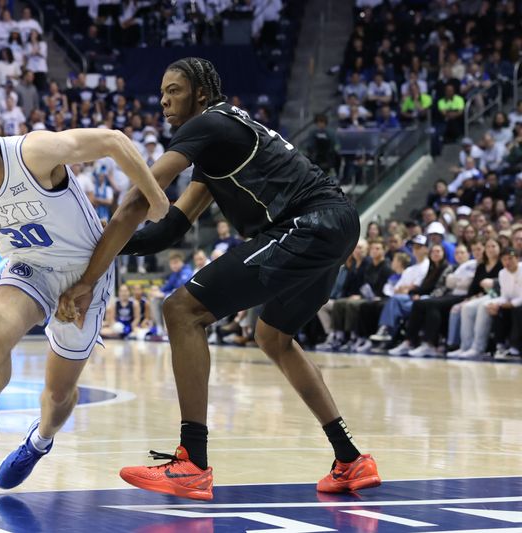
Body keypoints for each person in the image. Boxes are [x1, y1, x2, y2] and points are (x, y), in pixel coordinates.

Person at [57, 57, 379, 500]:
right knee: (273, 337)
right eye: (162, 92)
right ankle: (350, 459)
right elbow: (171, 226)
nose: (165, 100)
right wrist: (113, 247)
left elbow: (137, 201)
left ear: (201, 95)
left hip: (308, 224)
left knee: (181, 310)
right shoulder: (220, 141)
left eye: (175, 90)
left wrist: (90, 270)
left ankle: (192, 461)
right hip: (334, 225)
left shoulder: (207, 124)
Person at [0, 95, 168, 488]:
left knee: (59, 394)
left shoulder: (34, 153)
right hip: (28, 268)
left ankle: (40, 441)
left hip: (85, 271)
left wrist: (157, 199)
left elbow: (113, 140)